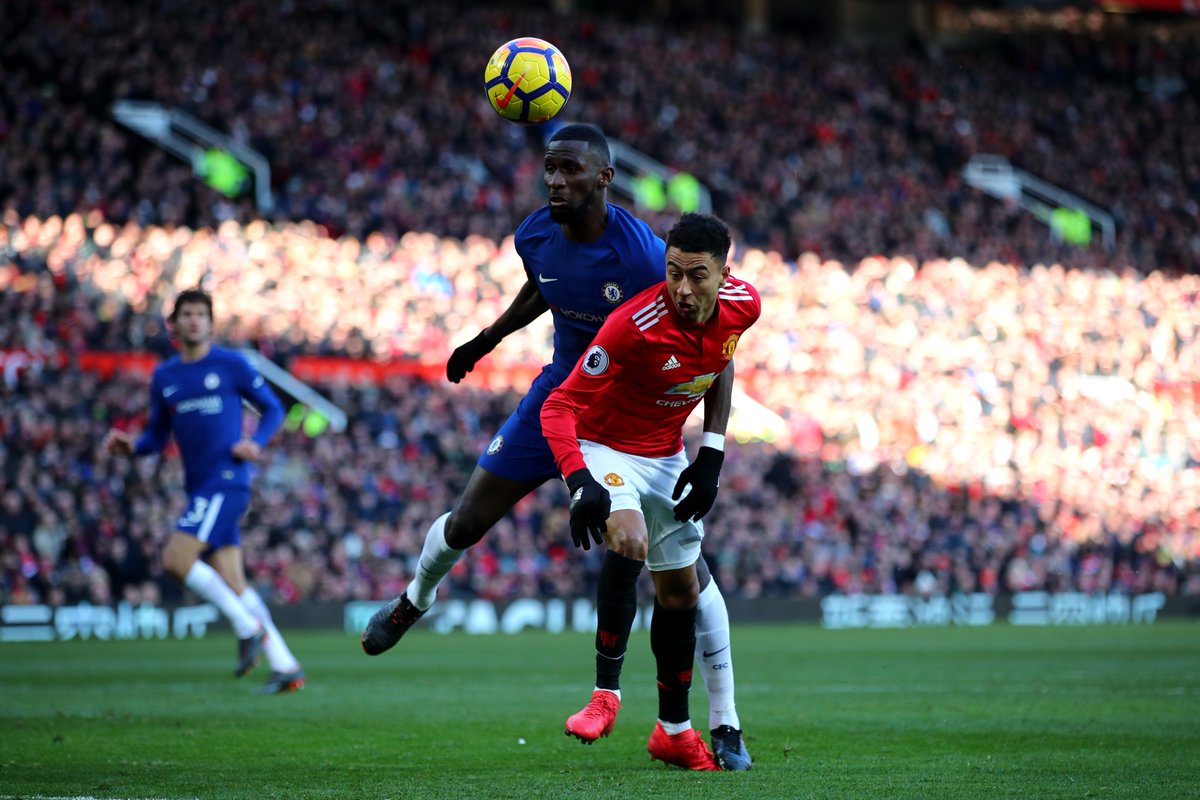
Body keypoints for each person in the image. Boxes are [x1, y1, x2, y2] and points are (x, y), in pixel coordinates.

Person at [360, 124, 751, 769]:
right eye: (549, 170)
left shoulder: (649, 258)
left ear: (604, 179)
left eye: (569, 171)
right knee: (467, 521)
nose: (554, 182)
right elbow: (546, 286)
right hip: (558, 400)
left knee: (686, 579)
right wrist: (487, 339)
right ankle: (413, 601)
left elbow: (713, 340)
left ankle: (720, 723)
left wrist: (710, 449)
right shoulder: (534, 233)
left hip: (623, 424)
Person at [540, 212, 760, 771]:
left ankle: (673, 730)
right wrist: (579, 479)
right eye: (673, 273)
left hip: (666, 455)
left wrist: (711, 452)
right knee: (630, 539)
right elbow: (559, 406)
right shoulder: (632, 324)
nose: (683, 289)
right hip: (604, 448)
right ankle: (605, 695)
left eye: (697, 276)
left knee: (682, 593)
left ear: (725, 274)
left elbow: (721, 359)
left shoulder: (746, 306)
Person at [102, 288, 304, 694]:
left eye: (201, 314)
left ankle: (247, 628)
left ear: (212, 322)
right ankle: (286, 666)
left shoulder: (230, 363)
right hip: (200, 487)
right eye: (187, 314)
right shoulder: (165, 376)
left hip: (227, 480)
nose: (194, 321)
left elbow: (274, 408)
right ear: (173, 324)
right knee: (234, 581)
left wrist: (257, 443)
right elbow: (157, 437)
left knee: (176, 559)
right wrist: (133, 446)